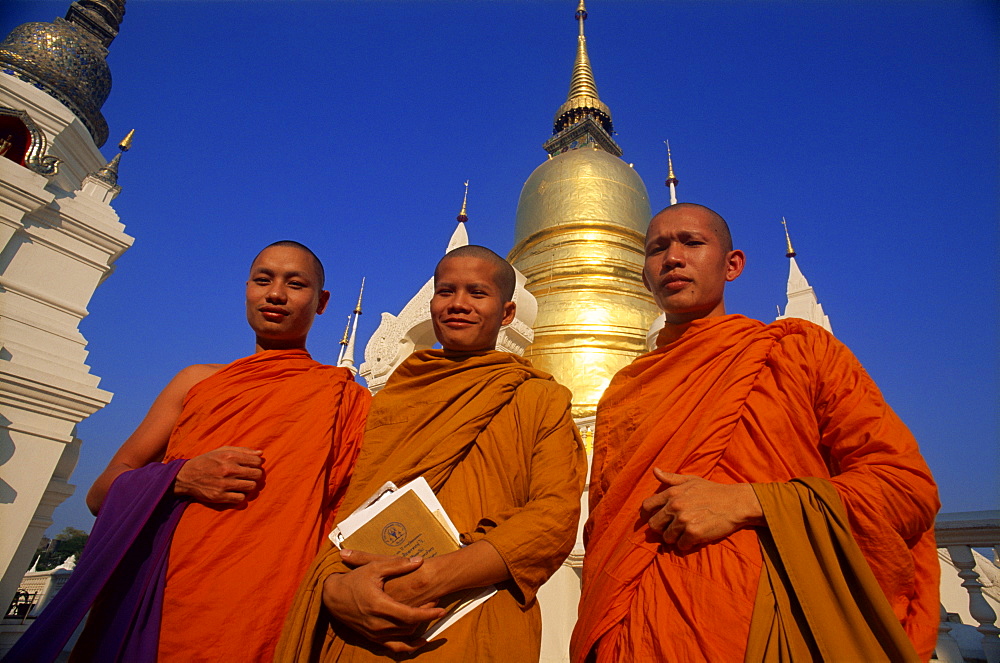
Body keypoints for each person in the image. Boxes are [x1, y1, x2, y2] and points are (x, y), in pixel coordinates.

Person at [571, 204, 940, 662]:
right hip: (635, 637)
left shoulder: (796, 353)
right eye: (657, 249)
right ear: (645, 277)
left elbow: (906, 488)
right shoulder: (623, 396)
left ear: (733, 265)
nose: (672, 258)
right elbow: (606, 535)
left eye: (692, 242)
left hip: (771, 629)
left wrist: (750, 502)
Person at [5, 241, 370, 663]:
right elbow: (100, 494)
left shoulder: (347, 401)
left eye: (296, 284)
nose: (275, 294)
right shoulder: (196, 382)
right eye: (263, 280)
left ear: (321, 301)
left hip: (271, 606)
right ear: (247, 288)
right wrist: (177, 477)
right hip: (170, 598)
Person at [276, 245, 587, 662]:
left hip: (471, 615)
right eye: (446, 292)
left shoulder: (539, 397)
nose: (458, 304)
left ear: (508, 313)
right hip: (364, 617)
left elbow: (553, 517)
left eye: (477, 293)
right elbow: (341, 507)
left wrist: (430, 579)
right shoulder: (390, 400)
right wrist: (334, 587)